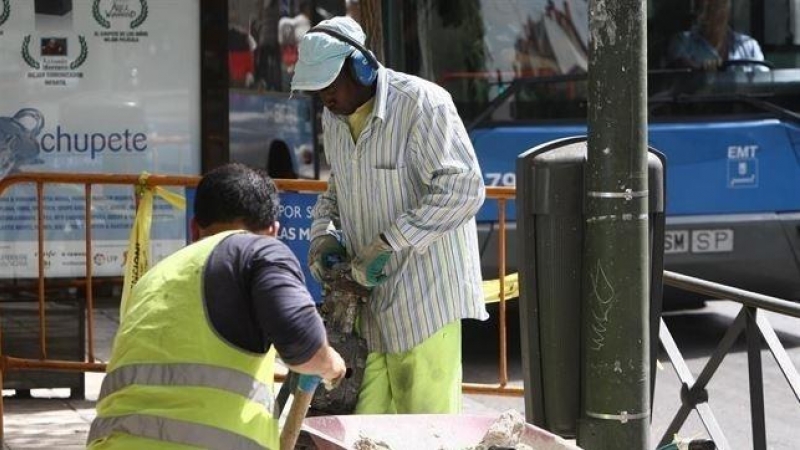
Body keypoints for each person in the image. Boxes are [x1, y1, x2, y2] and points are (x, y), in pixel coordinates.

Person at [291, 16, 488, 415]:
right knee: (365, 430)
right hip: (370, 312)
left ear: (360, 66)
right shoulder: (333, 119)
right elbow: (337, 190)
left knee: (426, 432)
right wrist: (324, 235)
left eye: (329, 83)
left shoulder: (422, 105)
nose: (324, 97)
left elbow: (465, 188)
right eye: (316, 89)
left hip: (426, 303)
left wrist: (390, 242)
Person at [86, 163, 346, 450]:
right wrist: (331, 365)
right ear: (273, 230)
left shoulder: (154, 279)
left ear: (195, 228)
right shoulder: (259, 250)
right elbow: (304, 348)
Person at [665, 0, 765, 71]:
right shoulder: (683, 42)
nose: (709, 14)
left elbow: (763, 84)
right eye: (704, 7)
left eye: (715, 6)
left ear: (727, 8)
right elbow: (678, 70)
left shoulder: (749, 46)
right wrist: (700, 71)